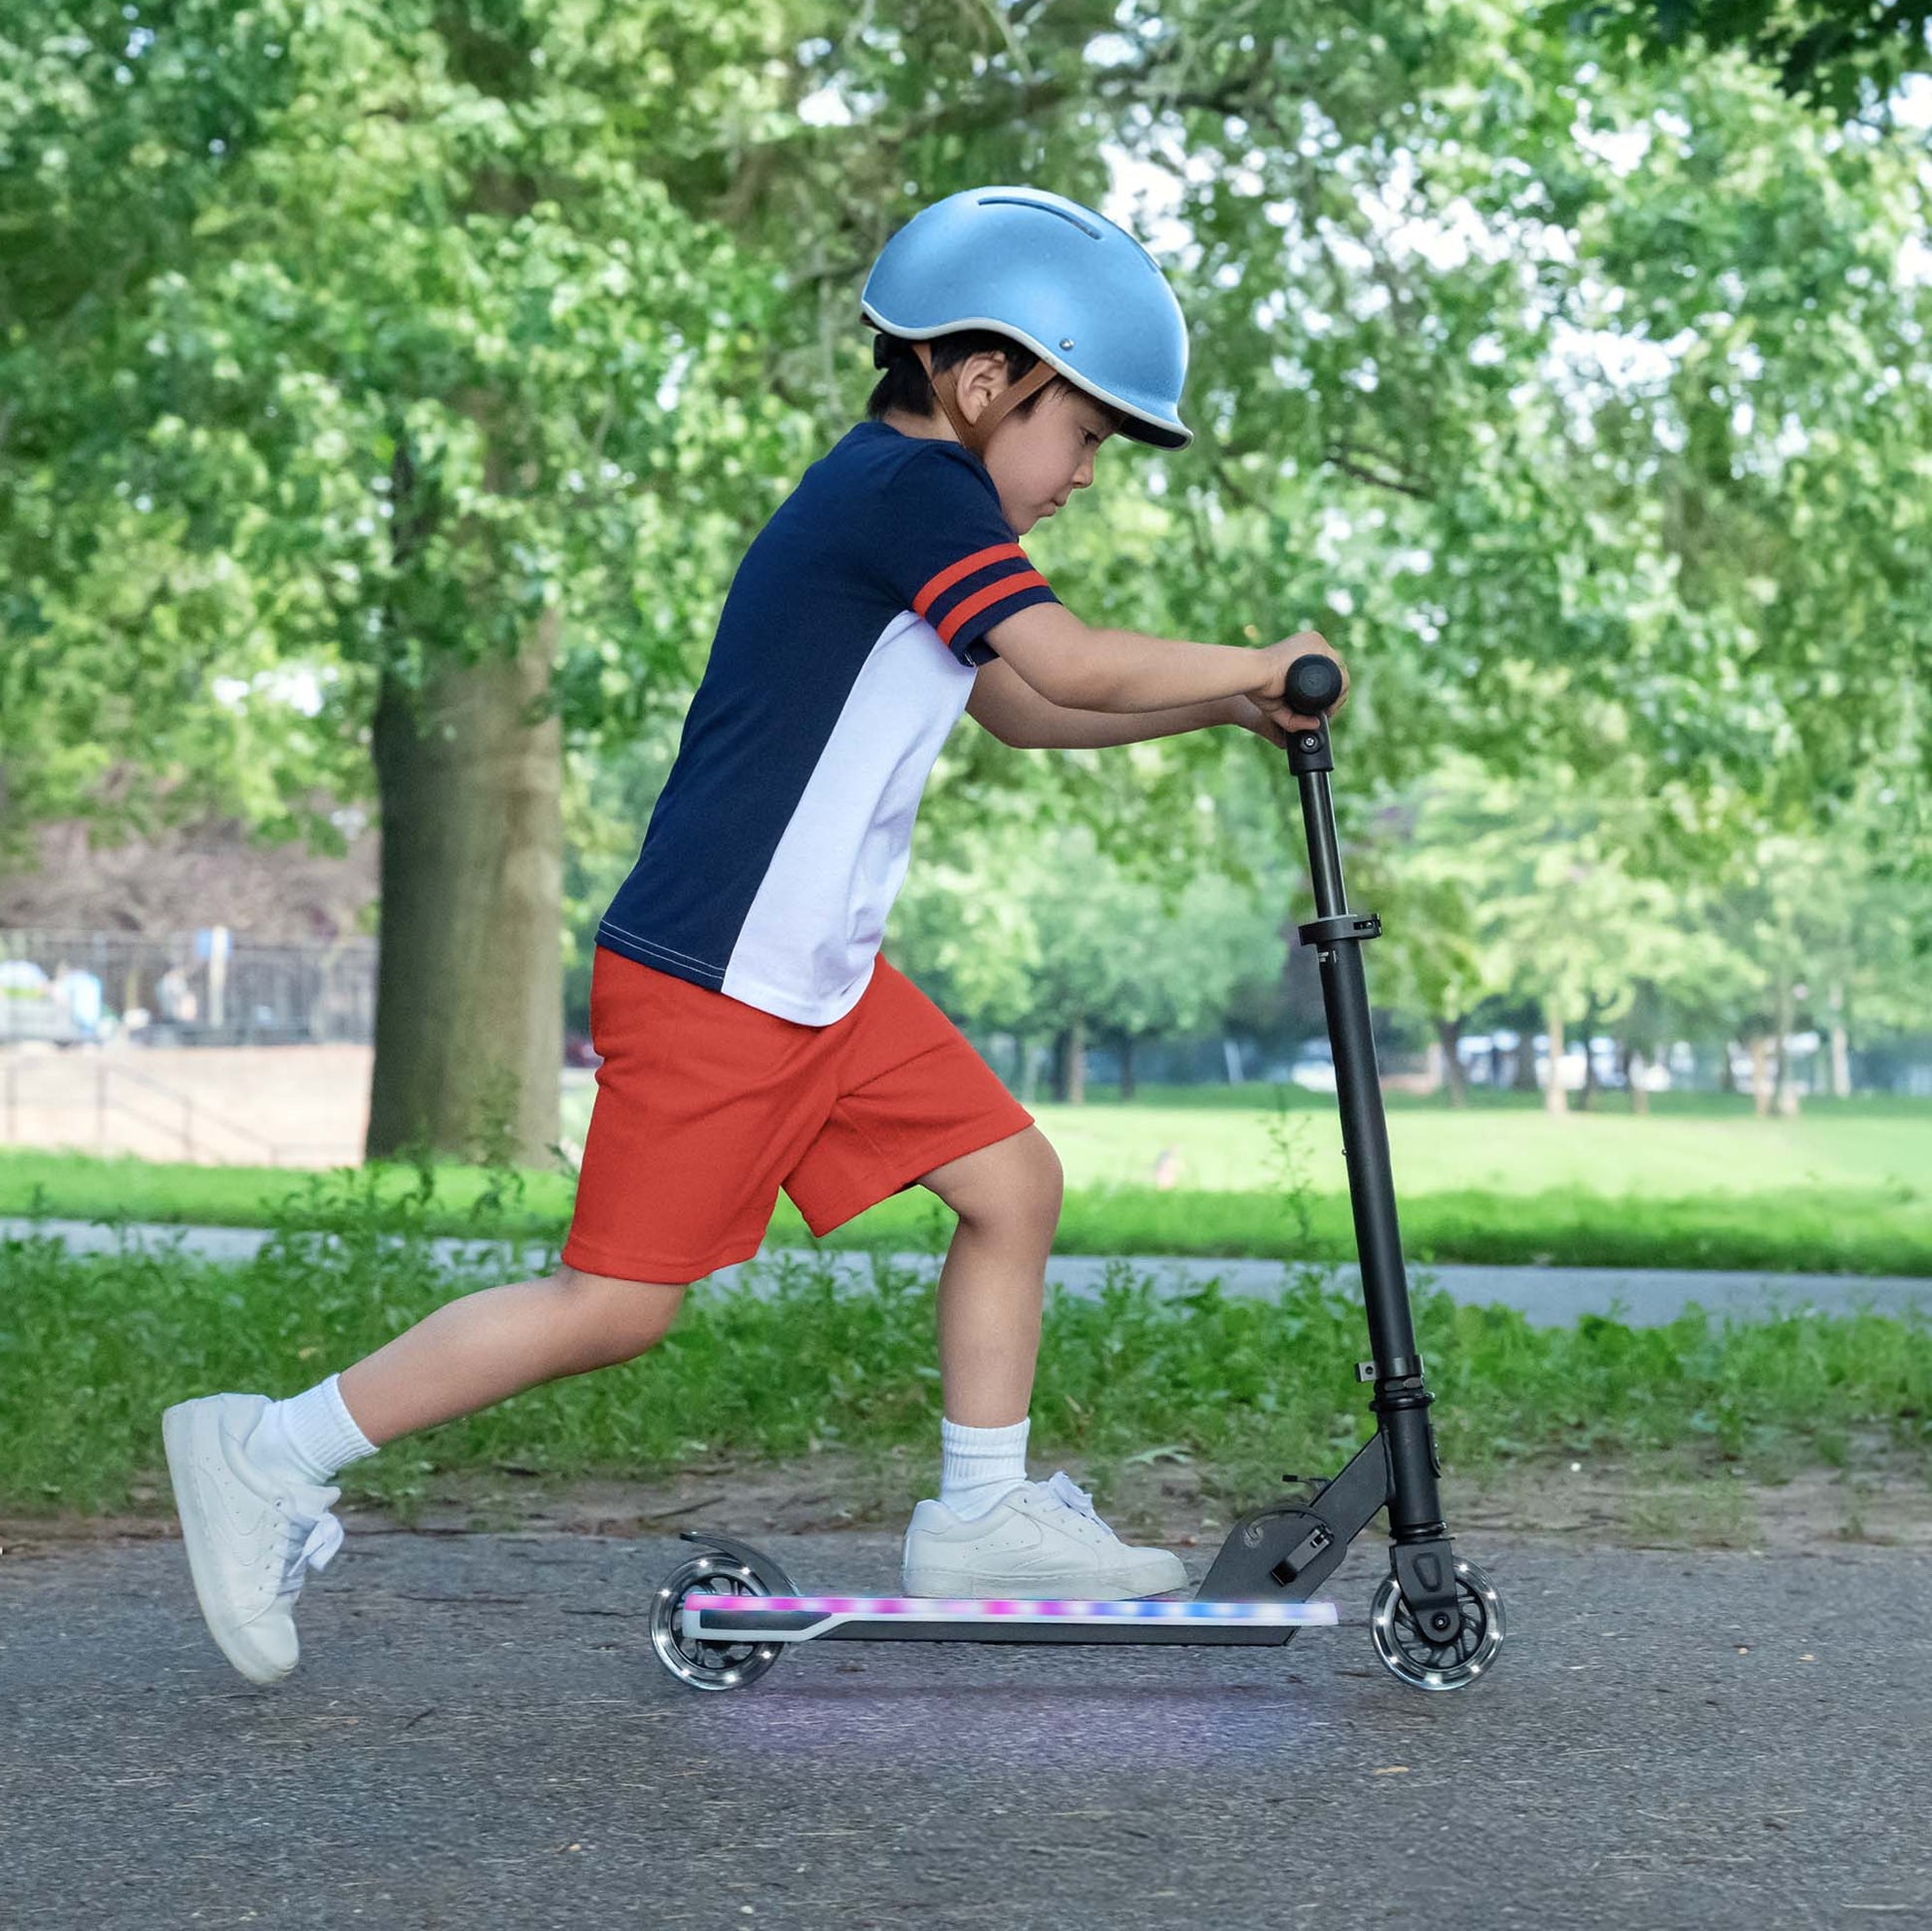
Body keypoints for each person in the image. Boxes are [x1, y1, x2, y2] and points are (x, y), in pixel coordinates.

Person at [161, 183, 1351, 1686]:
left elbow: (1024, 705)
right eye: (1087, 430)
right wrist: (1261, 654)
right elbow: (1062, 655)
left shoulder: (910, 510)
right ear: (984, 383)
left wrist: (1224, 704)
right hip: (721, 970)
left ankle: (980, 1513)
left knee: (1010, 1184)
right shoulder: (910, 496)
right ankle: (269, 1449)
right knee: (612, 1305)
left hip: (818, 978)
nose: (1086, 471)